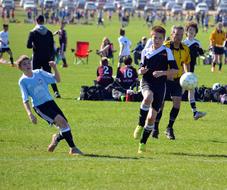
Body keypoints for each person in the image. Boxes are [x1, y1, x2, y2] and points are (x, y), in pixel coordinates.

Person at [17, 55, 83, 155]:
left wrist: (55, 68)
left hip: (50, 102)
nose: (27, 65)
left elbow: (57, 79)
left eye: (28, 62)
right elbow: (25, 99)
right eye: (24, 64)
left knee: (65, 124)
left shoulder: (39, 72)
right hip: (40, 107)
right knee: (63, 124)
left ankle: (57, 138)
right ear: (20, 67)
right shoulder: (23, 81)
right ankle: (73, 148)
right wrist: (30, 114)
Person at [133, 26, 178, 153]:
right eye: (155, 38)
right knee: (147, 97)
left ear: (164, 39)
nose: (157, 40)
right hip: (147, 82)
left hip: (160, 86)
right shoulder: (145, 51)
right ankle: (140, 125)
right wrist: (141, 70)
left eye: (160, 38)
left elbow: (175, 70)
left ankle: (142, 144)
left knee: (152, 118)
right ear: (151, 37)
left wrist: (162, 73)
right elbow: (140, 68)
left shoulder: (167, 52)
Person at [152, 25, 191, 140]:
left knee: (177, 104)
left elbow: (186, 62)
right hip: (164, 79)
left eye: (180, 34)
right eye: (176, 34)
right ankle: (155, 127)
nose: (178, 37)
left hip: (178, 81)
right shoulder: (165, 46)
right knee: (160, 105)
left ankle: (169, 128)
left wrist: (187, 75)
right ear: (172, 34)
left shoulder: (185, 48)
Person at [27, 15, 61, 98]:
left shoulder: (33, 32)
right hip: (47, 57)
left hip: (37, 57)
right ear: (43, 21)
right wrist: (52, 57)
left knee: (34, 75)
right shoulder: (49, 32)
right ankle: (56, 92)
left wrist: (33, 44)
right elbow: (52, 46)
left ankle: (35, 92)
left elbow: (28, 46)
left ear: (36, 21)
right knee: (49, 75)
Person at [183, 22, 206, 120]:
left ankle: (195, 112)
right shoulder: (183, 43)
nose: (191, 31)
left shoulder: (197, 42)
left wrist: (204, 54)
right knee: (179, 91)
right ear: (186, 32)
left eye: (193, 30)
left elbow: (201, 54)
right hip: (183, 69)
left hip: (191, 69)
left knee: (191, 90)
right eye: (189, 30)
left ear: (196, 32)